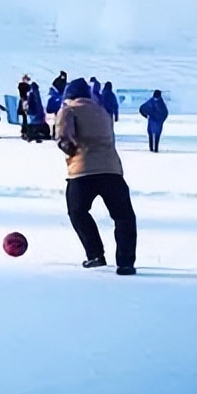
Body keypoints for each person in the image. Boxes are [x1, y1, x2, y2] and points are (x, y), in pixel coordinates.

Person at [54, 78, 137, 275]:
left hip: (83, 172)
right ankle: (126, 263)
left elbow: (64, 138)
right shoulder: (103, 112)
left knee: (77, 212)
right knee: (124, 217)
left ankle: (95, 255)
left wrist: (69, 149)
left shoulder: (68, 111)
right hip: (112, 171)